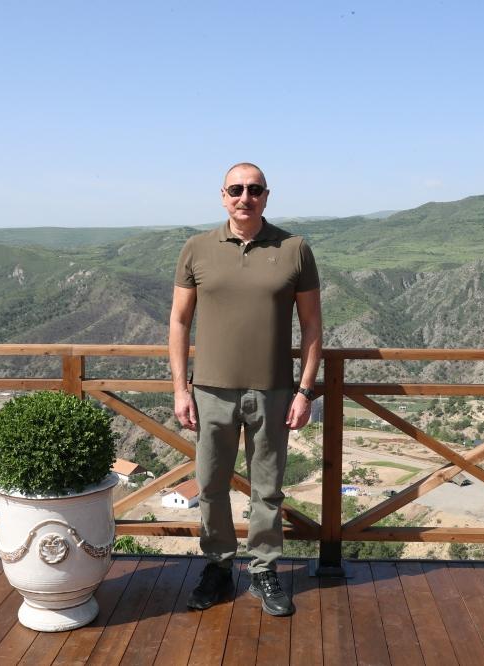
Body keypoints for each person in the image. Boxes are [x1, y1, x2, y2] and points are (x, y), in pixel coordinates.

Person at [169, 162, 322, 616]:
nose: (245, 197)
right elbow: (179, 321)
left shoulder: (294, 249)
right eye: (236, 189)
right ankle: (218, 567)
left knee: (268, 489)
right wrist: (180, 389)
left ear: (266, 196)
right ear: (222, 195)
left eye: (254, 190)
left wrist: (304, 391)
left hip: (273, 391)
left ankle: (264, 570)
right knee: (211, 485)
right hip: (210, 391)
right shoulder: (196, 248)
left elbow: (312, 326)